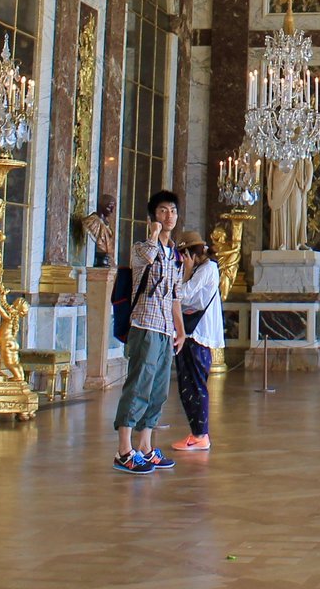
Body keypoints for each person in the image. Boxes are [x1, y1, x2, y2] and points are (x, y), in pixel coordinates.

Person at [113, 190, 185, 474]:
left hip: (166, 328)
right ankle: (123, 449)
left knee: (158, 389)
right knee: (139, 384)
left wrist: (180, 331)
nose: (169, 216)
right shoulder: (143, 247)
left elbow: (175, 297)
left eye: (173, 211)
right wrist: (154, 234)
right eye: (163, 211)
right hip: (145, 323)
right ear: (153, 215)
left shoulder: (175, 255)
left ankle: (144, 445)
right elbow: (146, 258)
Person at [172, 231, 223, 452]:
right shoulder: (200, 270)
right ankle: (196, 432)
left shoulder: (207, 268)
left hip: (198, 334)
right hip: (189, 332)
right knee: (187, 385)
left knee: (195, 385)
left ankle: (200, 435)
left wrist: (187, 272)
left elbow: (181, 294)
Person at [80, 195, 116, 267]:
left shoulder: (108, 225)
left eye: (113, 207)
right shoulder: (91, 222)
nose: (112, 211)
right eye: (109, 207)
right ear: (101, 206)